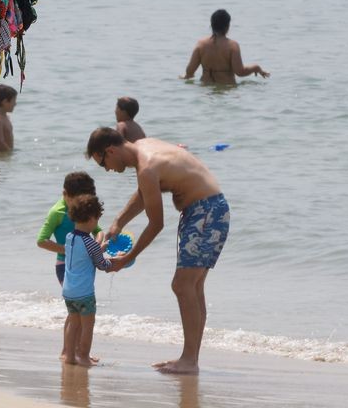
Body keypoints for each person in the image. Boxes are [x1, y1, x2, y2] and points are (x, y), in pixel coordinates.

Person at [86, 127, 230, 375]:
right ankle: (190, 358)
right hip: (208, 210)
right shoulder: (145, 146)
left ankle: (189, 360)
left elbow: (157, 224)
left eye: (103, 163)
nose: (107, 169)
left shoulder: (147, 167)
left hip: (205, 213)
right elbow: (145, 193)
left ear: (110, 150)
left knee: (183, 286)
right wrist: (118, 224)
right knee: (192, 287)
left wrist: (127, 259)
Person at [36, 171, 101, 360]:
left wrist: (97, 243)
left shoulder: (84, 209)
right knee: (77, 310)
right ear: (65, 194)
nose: (81, 204)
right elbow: (41, 240)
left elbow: (98, 230)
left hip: (84, 265)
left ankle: (76, 352)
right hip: (65, 265)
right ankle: (70, 352)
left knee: (77, 310)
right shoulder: (57, 212)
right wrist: (69, 250)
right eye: (78, 199)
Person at [61, 193, 113, 367]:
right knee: (87, 325)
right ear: (91, 219)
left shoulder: (69, 238)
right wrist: (112, 259)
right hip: (85, 293)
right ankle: (84, 357)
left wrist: (99, 248)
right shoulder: (90, 243)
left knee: (73, 323)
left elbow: (84, 254)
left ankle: (69, 356)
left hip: (69, 292)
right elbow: (101, 264)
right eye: (97, 220)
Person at [181, 9, 269, 85]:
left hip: (206, 90)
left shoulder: (201, 44)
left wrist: (185, 77)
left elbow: (189, 71)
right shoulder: (232, 46)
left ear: (211, 25)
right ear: (227, 26)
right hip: (227, 89)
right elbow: (240, 72)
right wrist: (256, 68)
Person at [0, 84, 16, 153]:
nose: (15, 104)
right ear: (5, 102)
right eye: (13, 101)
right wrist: (11, 153)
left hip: (6, 155)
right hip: (0, 157)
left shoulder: (6, 117)